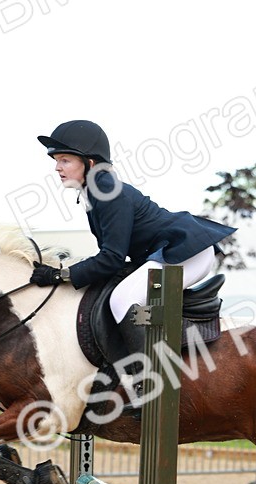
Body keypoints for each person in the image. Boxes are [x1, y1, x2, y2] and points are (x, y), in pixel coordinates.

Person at [30, 120, 236, 407]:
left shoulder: (108, 191)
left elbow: (111, 258)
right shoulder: (93, 193)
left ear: (90, 163)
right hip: (170, 252)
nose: (57, 167)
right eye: (56, 160)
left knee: (122, 300)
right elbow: (112, 257)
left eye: (65, 160)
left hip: (184, 253)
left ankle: (147, 384)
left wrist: (60, 275)